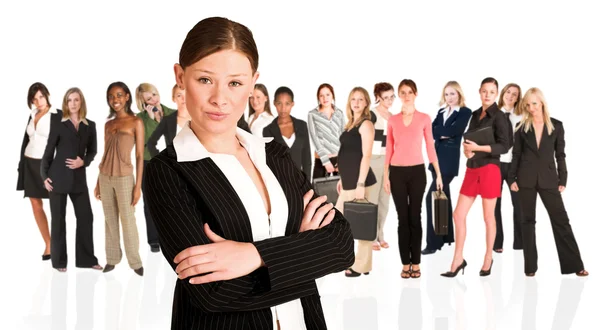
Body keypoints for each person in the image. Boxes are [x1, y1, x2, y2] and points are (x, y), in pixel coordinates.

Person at [144, 17, 355, 330]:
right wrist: (304, 250)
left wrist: (254, 256)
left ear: (253, 83)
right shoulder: (167, 172)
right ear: (180, 76)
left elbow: (341, 244)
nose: (220, 98)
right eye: (205, 80)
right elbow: (213, 293)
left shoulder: (274, 155)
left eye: (235, 83)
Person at [508, 87, 588, 277]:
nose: (531, 107)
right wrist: (511, 178)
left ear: (542, 102)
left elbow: (560, 155)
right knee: (527, 222)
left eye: (534, 103)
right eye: (527, 104)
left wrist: (563, 177)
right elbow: (516, 154)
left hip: (549, 179)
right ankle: (530, 268)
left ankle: (575, 265)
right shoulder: (520, 127)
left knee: (561, 220)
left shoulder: (556, 126)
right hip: (525, 179)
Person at [441, 77, 510, 278]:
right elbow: (469, 141)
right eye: (484, 91)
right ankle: (458, 259)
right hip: (472, 167)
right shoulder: (473, 115)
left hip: (490, 168)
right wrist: (468, 152)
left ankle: (488, 257)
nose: (487, 95)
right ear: (479, 92)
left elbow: (504, 146)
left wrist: (478, 148)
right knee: (458, 214)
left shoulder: (499, 117)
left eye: (491, 92)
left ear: (496, 94)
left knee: (489, 217)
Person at [384, 79, 442, 279]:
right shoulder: (392, 121)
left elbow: (430, 146)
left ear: (416, 94)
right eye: (403, 92)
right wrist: (386, 176)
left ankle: (416, 262)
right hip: (397, 173)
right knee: (402, 219)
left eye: (410, 92)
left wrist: (438, 173)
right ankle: (405, 263)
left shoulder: (424, 119)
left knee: (415, 217)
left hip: (418, 172)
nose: (406, 95)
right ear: (399, 95)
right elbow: (389, 149)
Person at [40, 87, 102, 272]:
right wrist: (44, 177)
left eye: (76, 100)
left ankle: (86, 260)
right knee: (58, 221)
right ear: (66, 103)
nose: (73, 103)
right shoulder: (59, 124)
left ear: (81, 102)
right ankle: (59, 262)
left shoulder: (89, 125)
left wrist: (84, 161)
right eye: (69, 100)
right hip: (57, 178)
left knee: (86, 217)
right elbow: (48, 152)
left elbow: (93, 150)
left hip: (78, 180)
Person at [94, 81, 145, 276]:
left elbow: (140, 155)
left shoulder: (136, 122)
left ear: (127, 97)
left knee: (128, 220)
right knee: (109, 219)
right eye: (111, 96)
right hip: (105, 177)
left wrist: (138, 186)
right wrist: (98, 182)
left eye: (118, 95)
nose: (115, 100)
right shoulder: (108, 125)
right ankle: (112, 259)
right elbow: (105, 153)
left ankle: (135, 262)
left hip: (125, 178)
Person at [422, 81, 472, 255]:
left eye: (453, 94)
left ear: (459, 94)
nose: (450, 98)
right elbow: (430, 131)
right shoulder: (441, 111)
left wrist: (442, 132)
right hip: (436, 158)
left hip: (448, 162)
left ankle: (433, 243)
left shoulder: (465, 112)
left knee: (432, 198)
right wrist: (443, 132)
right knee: (444, 197)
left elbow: (455, 131)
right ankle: (446, 237)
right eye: (447, 94)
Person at [335, 87, 377, 277]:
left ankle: (361, 266)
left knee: (362, 224)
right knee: (339, 221)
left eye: (361, 99)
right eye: (353, 99)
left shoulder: (366, 124)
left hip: (361, 183)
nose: (357, 103)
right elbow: (348, 155)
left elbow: (366, 155)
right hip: (348, 183)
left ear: (366, 103)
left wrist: (360, 184)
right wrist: (342, 180)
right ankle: (352, 261)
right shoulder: (350, 124)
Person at [17, 82, 62, 260]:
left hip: (48, 166)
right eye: (34, 99)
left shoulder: (57, 115)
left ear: (47, 95)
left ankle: (59, 244)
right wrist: (21, 165)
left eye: (41, 97)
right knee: (36, 205)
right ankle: (49, 244)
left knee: (56, 205)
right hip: (29, 163)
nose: (38, 101)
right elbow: (26, 141)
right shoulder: (33, 114)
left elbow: (64, 143)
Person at [135, 82, 176, 252]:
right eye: (148, 99)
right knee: (150, 201)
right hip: (148, 162)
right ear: (143, 103)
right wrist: (151, 120)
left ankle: (172, 235)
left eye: (154, 95)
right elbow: (145, 143)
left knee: (172, 199)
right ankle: (154, 240)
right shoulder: (139, 119)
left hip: (170, 162)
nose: (153, 100)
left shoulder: (173, 113)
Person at [494, 83, 523, 253]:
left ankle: (519, 242)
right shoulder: (493, 115)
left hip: (515, 166)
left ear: (518, 98)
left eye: (515, 94)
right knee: (495, 204)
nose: (510, 96)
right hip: (496, 164)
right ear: (503, 93)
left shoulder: (521, 117)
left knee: (518, 203)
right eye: (508, 92)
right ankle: (497, 242)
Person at [263, 86, 311, 179]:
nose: (283, 108)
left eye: (287, 103)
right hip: (280, 182)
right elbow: (270, 163)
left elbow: (307, 159)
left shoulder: (302, 125)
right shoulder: (268, 130)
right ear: (274, 103)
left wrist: (308, 183)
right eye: (279, 103)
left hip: (301, 182)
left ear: (292, 104)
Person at [369, 82, 395, 251]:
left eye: (392, 96)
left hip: (389, 161)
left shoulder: (393, 116)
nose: (390, 100)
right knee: (372, 199)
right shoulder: (372, 115)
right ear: (378, 97)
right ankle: (370, 237)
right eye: (386, 98)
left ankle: (380, 234)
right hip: (374, 159)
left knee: (384, 200)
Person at [307, 83, 344, 179]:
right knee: (317, 192)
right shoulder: (313, 114)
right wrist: (326, 162)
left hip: (338, 159)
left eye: (328, 94)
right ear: (318, 98)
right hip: (321, 160)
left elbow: (343, 137)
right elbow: (314, 139)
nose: (325, 98)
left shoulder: (339, 113)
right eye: (321, 95)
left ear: (332, 95)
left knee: (341, 192)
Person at [146, 84, 191, 158]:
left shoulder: (200, 119)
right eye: (179, 95)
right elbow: (151, 143)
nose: (183, 98)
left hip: (198, 166)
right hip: (175, 166)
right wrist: (160, 162)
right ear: (173, 98)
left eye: (186, 94)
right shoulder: (168, 120)